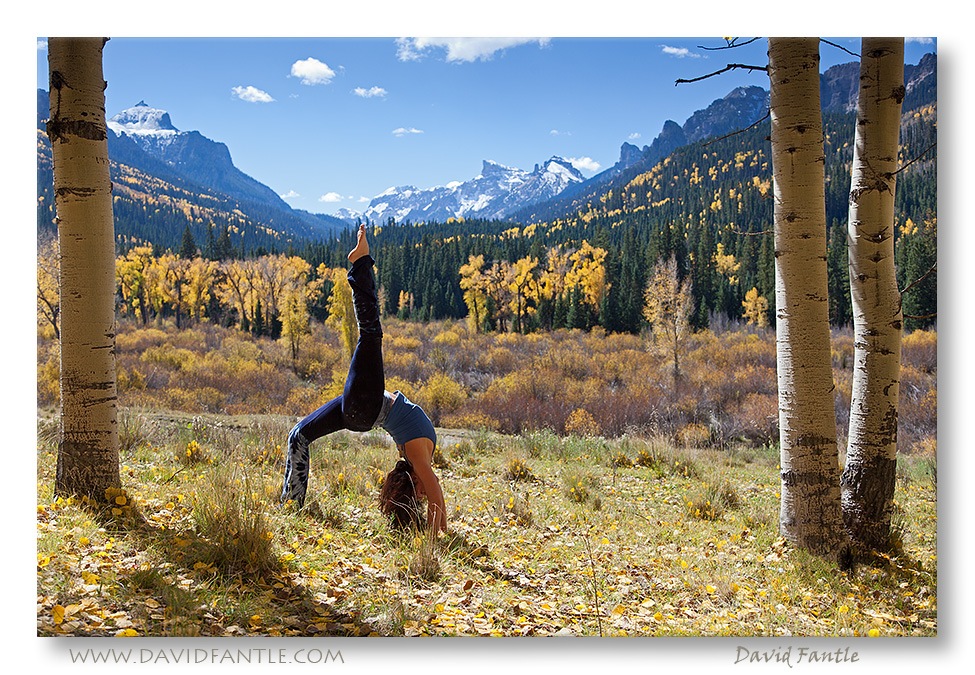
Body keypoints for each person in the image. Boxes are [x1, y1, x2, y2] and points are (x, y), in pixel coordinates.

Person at [281, 225, 447, 533]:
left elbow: (435, 490)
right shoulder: (419, 455)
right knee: (298, 437)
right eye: (421, 495)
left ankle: (360, 263)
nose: (425, 492)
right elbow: (431, 489)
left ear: (414, 480)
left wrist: (438, 535)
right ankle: (290, 504)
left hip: (367, 406)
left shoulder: (417, 456)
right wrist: (436, 525)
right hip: (358, 409)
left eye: (418, 493)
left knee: (371, 333)